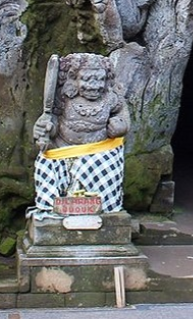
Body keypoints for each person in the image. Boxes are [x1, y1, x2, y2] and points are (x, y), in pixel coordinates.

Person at [31, 53, 129, 215]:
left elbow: (122, 113)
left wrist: (121, 125)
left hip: (99, 155)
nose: (94, 86)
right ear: (73, 79)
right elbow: (54, 119)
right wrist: (47, 128)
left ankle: (103, 206)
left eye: (100, 80)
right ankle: (54, 206)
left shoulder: (110, 98)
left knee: (106, 173)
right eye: (87, 79)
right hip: (64, 149)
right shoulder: (65, 97)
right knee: (47, 164)